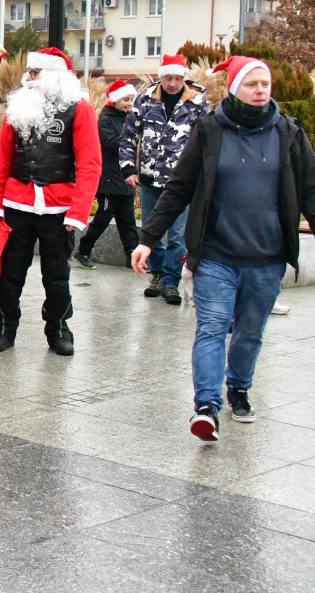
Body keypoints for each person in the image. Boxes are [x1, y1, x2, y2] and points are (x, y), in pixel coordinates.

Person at [131, 56, 315, 441]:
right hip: (215, 255)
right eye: (252, 84)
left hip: (267, 258)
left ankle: (239, 387)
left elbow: (310, 191)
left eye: (265, 84)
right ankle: (206, 407)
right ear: (234, 88)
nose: (261, 90)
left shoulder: (289, 132)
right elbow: (179, 187)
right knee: (212, 328)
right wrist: (148, 239)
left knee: (249, 332)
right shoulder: (211, 130)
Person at [0, 47, 101, 356]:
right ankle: (4, 327)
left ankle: (58, 327)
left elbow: (90, 164)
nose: (29, 78)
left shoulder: (79, 109)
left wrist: (79, 212)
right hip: (17, 202)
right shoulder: (18, 108)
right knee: (11, 272)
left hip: (59, 207)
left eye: (35, 73)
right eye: (29, 73)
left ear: (53, 77)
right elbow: (3, 159)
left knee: (57, 275)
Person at [119, 53, 208, 305]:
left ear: (184, 78)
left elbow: (207, 141)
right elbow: (128, 135)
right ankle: (157, 275)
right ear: (161, 77)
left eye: (177, 78)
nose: (172, 83)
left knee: (178, 234)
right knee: (151, 229)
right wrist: (128, 168)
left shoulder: (198, 102)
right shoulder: (146, 99)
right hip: (149, 177)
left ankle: (171, 281)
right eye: (168, 78)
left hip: (182, 181)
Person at [74, 80, 141, 270]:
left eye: (131, 100)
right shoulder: (105, 119)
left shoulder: (129, 118)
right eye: (125, 100)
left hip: (125, 179)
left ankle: (133, 257)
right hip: (109, 180)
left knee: (128, 222)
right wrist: (128, 140)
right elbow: (110, 143)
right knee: (102, 220)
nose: (129, 103)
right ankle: (83, 251)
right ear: (116, 100)